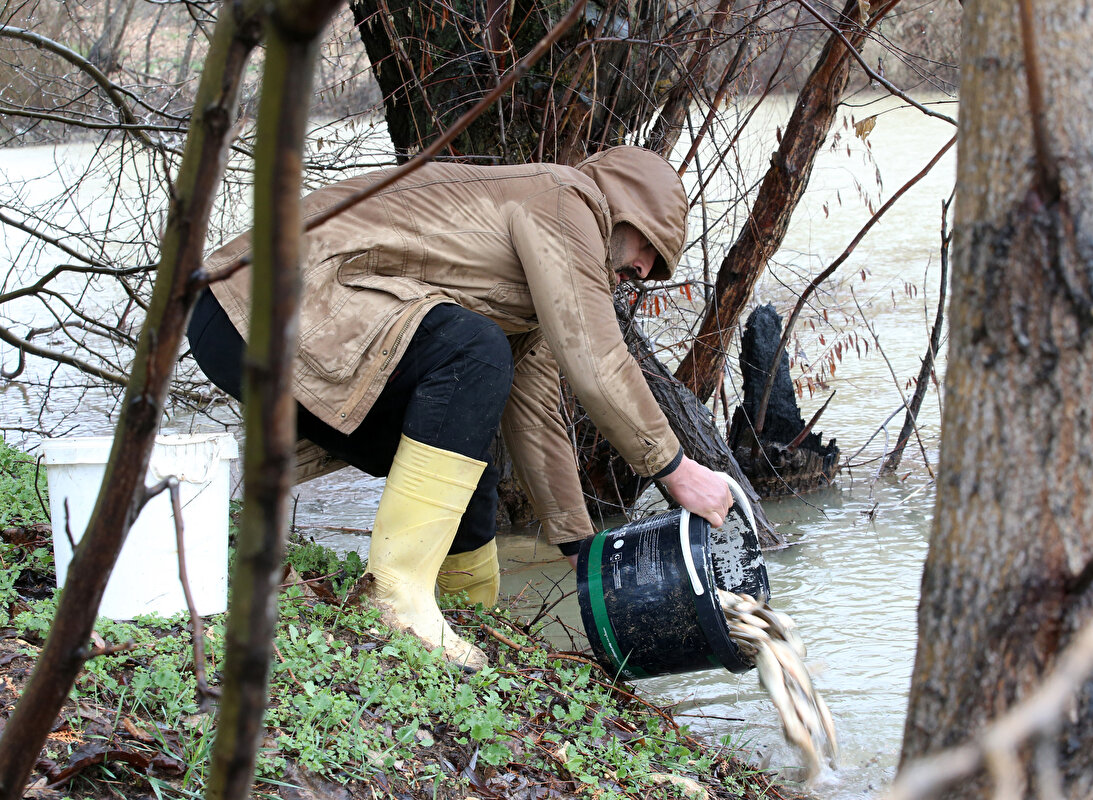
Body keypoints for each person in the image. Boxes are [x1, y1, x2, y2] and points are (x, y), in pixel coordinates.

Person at [188, 146, 734, 671]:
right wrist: (675, 468)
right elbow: (595, 358)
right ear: (625, 208)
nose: (642, 270)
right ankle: (395, 597)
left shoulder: (544, 270)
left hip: (251, 328)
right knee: (475, 350)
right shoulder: (568, 200)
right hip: (251, 305)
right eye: (648, 250)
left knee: (460, 446)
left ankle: (466, 615)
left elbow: (537, 411)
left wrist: (580, 548)